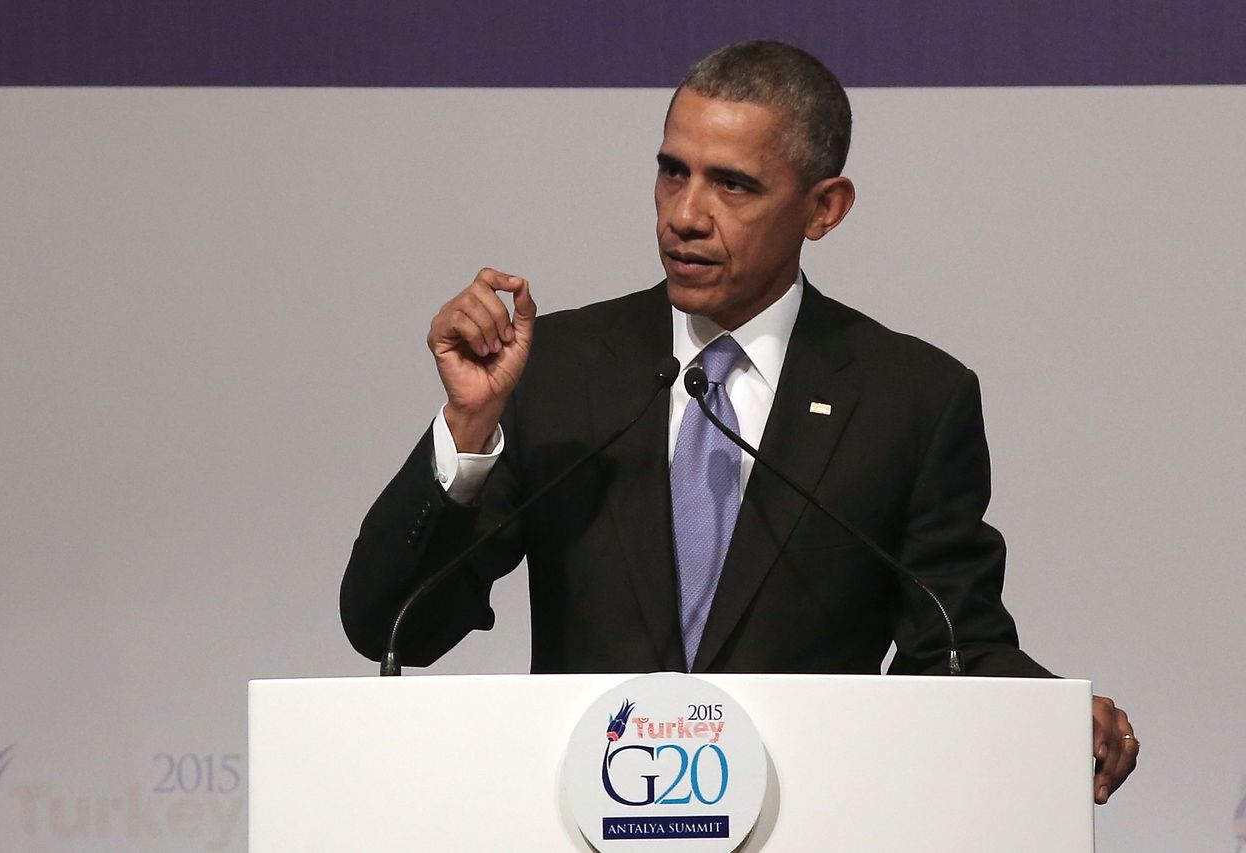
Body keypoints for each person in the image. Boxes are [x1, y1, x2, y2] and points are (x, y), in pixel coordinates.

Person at [340, 40, 1138, 804]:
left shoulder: (912, 399)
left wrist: (1050, 715)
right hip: (588, 821)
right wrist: (469, 427)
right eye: (671, 172)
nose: (684, 214)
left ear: (824, 208)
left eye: (733, 185)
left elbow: (954, 644)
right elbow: (390, 626)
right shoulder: (560, 368)